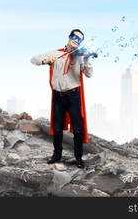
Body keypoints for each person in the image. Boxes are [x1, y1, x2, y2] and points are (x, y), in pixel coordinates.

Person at [30, 29, 94, 168]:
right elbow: (33, 59)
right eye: (74, 37)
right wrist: (45, 61)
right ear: (69, 37)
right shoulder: (56, 53)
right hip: (58, 95)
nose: (76, 40)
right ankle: (57, 155)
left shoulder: (80, 56)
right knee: (57, 127)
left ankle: (78, 158)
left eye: (79, 39)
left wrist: (87, 58)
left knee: (77, 129)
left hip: (73, 95)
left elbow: (89, 74)